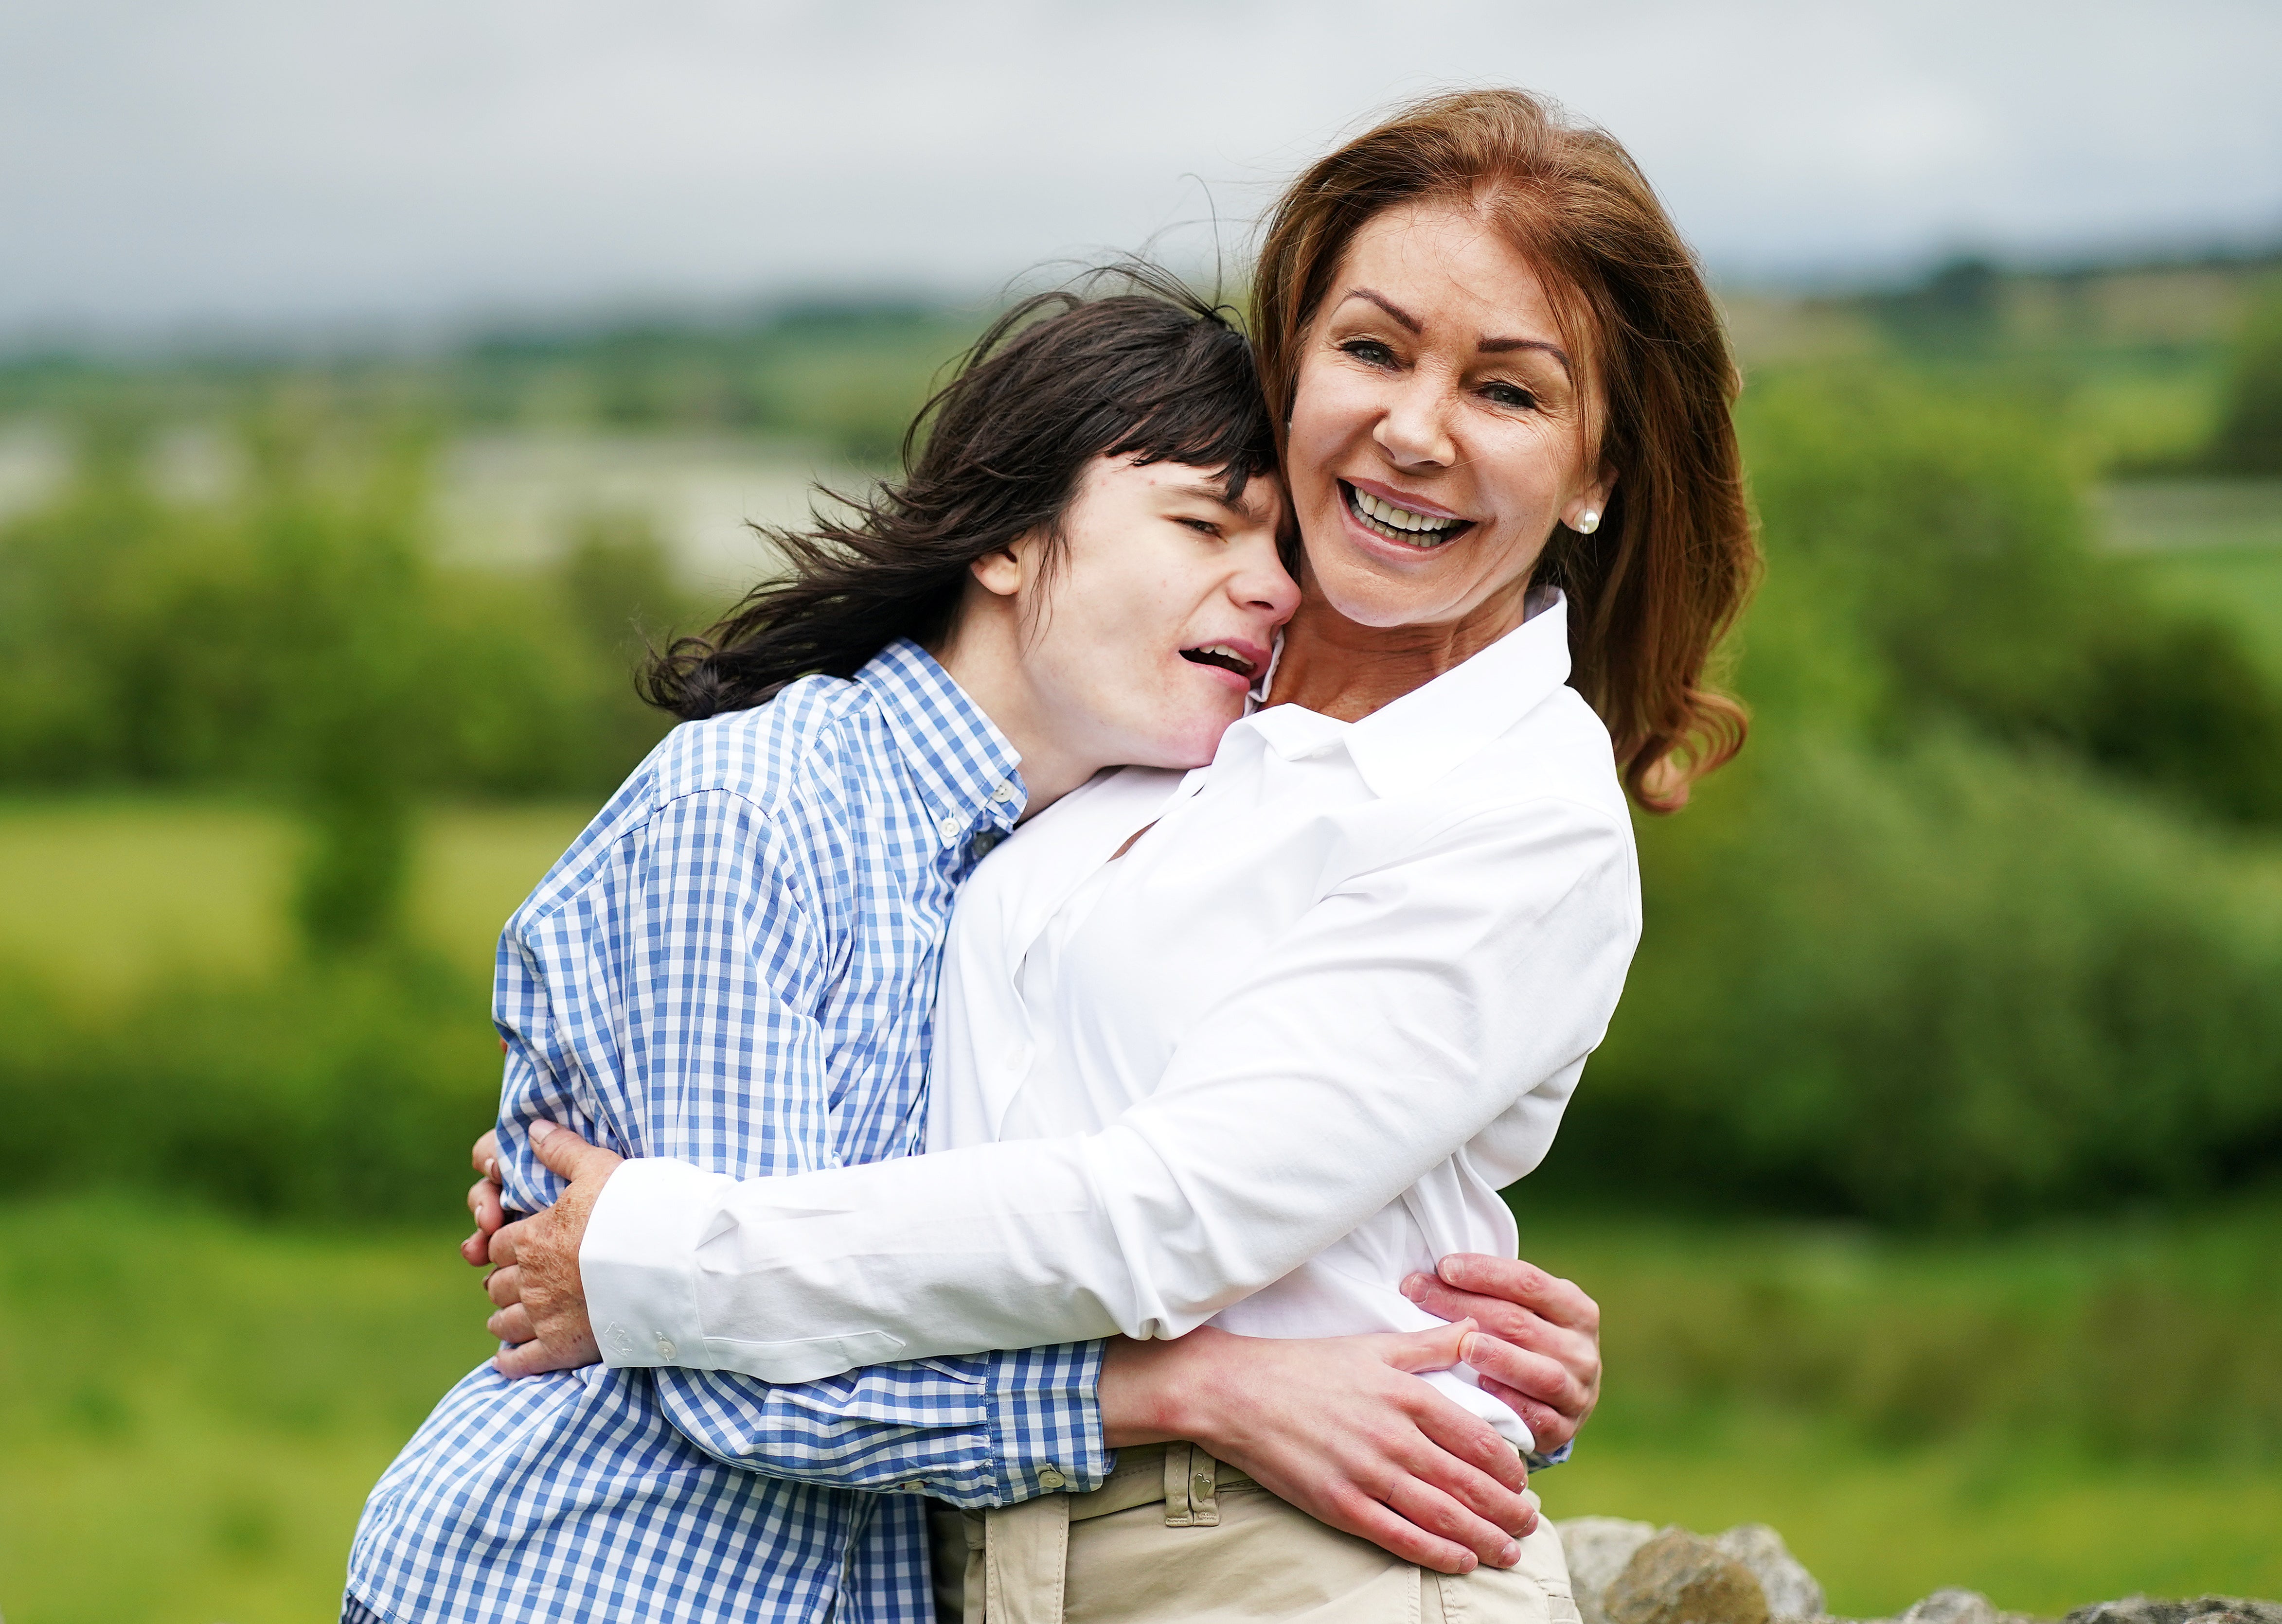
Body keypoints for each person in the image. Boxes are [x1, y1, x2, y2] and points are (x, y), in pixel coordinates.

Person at [473, 87, 1756, 1624]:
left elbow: (1164, 1211)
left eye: (1506, 390)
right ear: (1291, 368)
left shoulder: (1516, 804)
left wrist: (663, 1249)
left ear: (1599, 468)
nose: (1412, 429)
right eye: (1371, 348)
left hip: (1289, 1558)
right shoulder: (1183, 690)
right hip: (987, 1541)